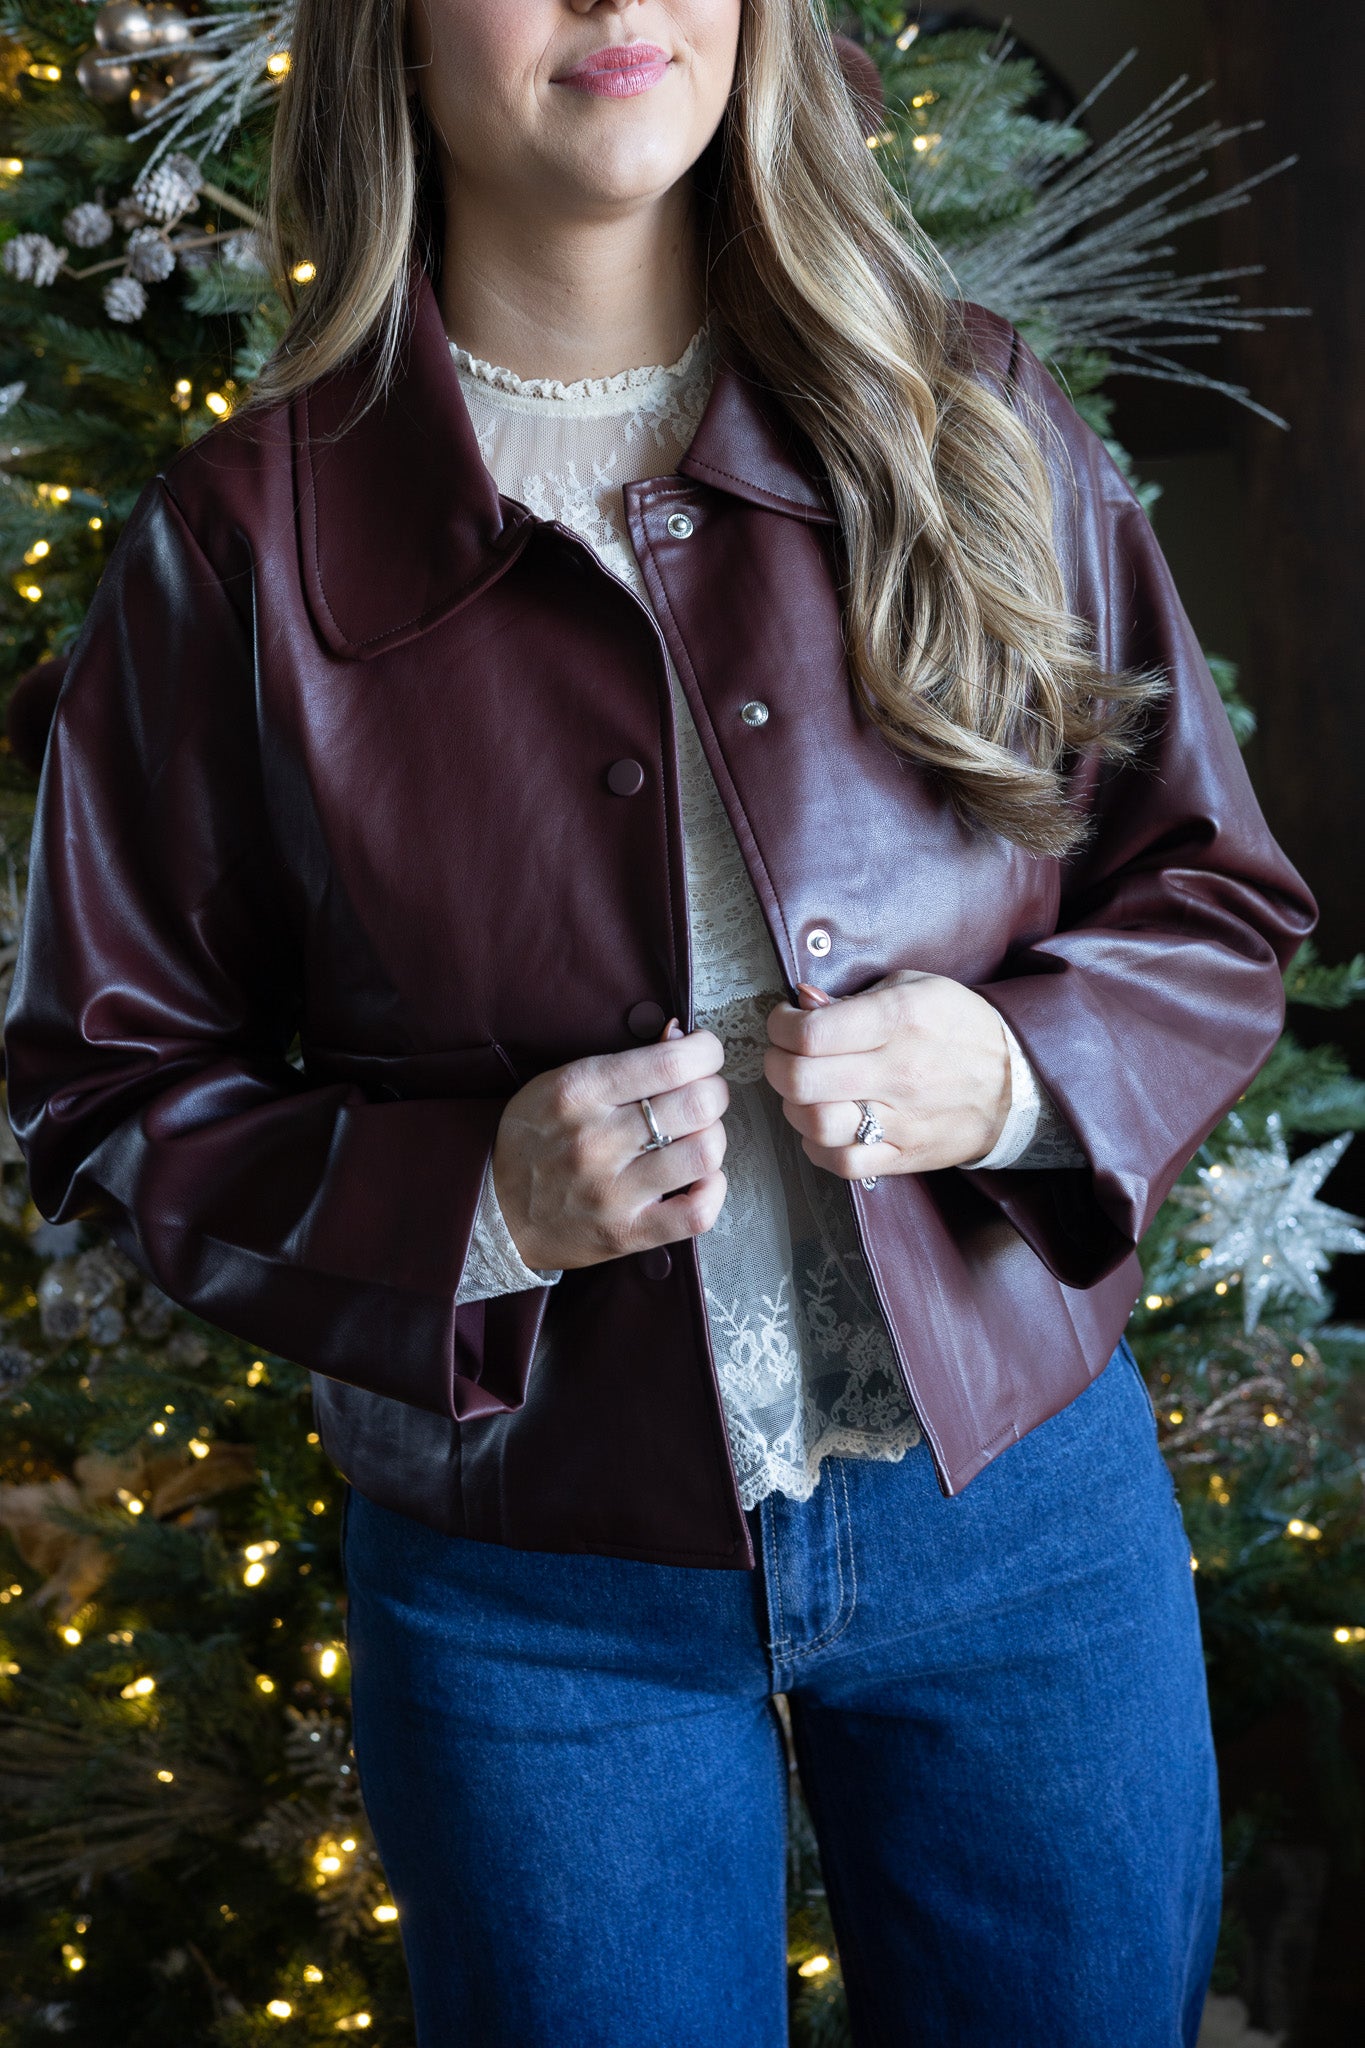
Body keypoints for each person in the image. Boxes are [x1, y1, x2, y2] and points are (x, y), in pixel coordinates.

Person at [3, 2, 1317, 2042]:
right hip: (530, 1595)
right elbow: (103, 1086)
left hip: (1025, 1523)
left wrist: (1012, 1072)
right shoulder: (238, 543)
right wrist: (479, 1203)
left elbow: (1212, 898)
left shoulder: (963, 411)